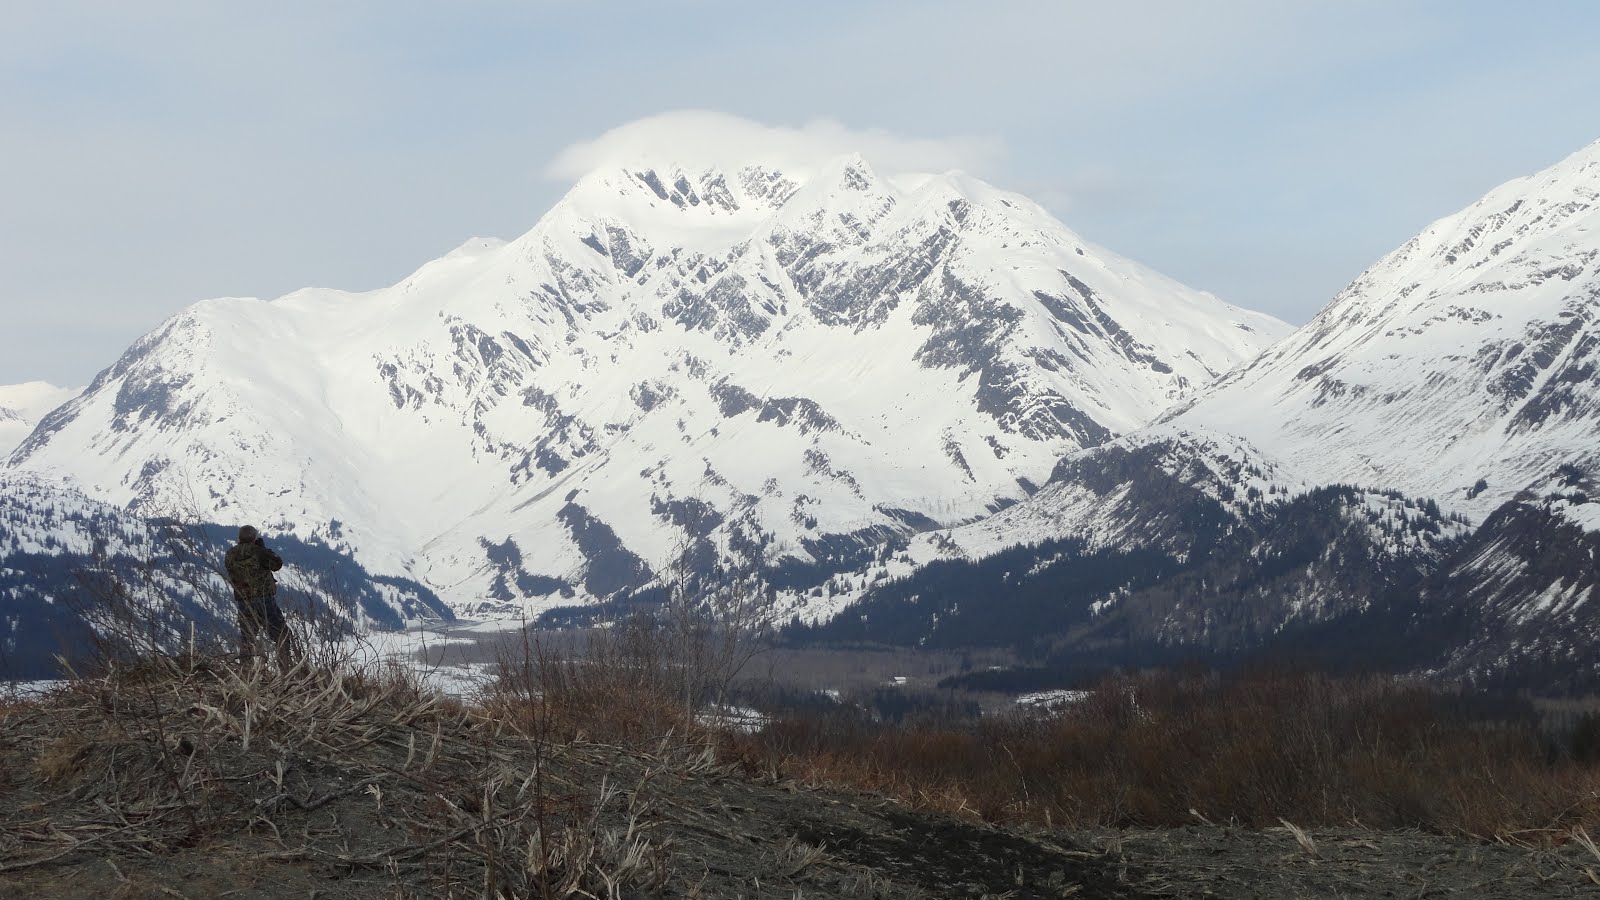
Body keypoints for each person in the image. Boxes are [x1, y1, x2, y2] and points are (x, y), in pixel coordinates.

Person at [224, 525, 292, 663]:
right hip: (264, 599)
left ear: (239, 538)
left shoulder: (231, 554)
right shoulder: (259, 552)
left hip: (244, 601)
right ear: (254, 538)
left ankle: (246, 669)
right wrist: (263, 549)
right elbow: (277, 564)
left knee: (247, 638)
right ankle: (286, 666)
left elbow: (231, 569)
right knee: (281, 634)